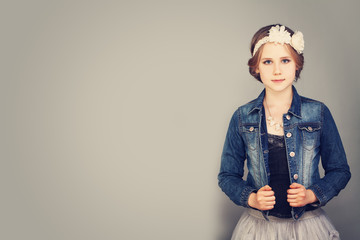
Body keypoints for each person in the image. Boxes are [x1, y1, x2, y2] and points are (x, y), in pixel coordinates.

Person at [218, 24, 351, 240]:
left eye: (285, 60)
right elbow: (227, 175)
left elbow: (340, 170)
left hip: (307, 227)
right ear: (256, 67)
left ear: (297, 64)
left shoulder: (318, 113)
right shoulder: (242, 117)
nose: (277, 70)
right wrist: (251, 198)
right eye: (268, 62)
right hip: (258, 228)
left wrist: (311, 194)